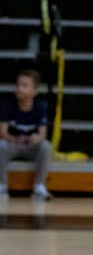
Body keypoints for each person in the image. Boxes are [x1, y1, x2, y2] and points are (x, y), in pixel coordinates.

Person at [0, 69, 51, 200]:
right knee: (1, 145)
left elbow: (43, 134)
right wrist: (15, 138)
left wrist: (36, 138)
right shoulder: (8, 105)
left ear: (35, 91)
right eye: (18, 85)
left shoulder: (41, 107)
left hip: (31, 146)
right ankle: (2, 186)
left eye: (24, 85)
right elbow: (3, 132)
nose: (19, 89)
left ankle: (39, 187)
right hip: (13, 144)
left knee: (45, 146)